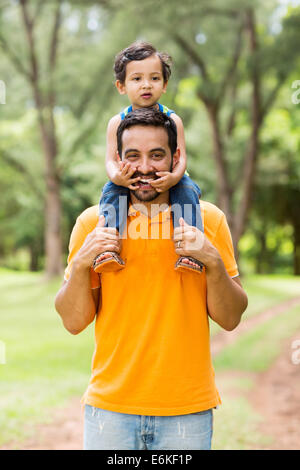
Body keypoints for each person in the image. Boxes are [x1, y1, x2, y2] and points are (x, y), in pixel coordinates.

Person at [55, 108, 248, 450]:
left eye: (156, 155)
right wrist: (84, 261)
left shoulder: (208, 221)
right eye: (133, 156)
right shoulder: (93, 224)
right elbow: (72, 322)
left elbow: (231, 318)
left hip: (187, 411)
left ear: (176, 158)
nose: (144, 167)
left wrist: (213, 262)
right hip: (110, 410)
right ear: (117, 159)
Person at [94, 41, 204, 275]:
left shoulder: (173, 120)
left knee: (188, 190)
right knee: (111, 191)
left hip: (170, 176)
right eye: (137, 79)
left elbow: (181, 157)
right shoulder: (116, 122)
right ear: (121, 86)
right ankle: (108, 247)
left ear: (164, 85)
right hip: (129, 177)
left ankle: (191, 249)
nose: (146, 85)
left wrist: (174, 177)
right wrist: (118, 177)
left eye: (154, 78)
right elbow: (110, 160)